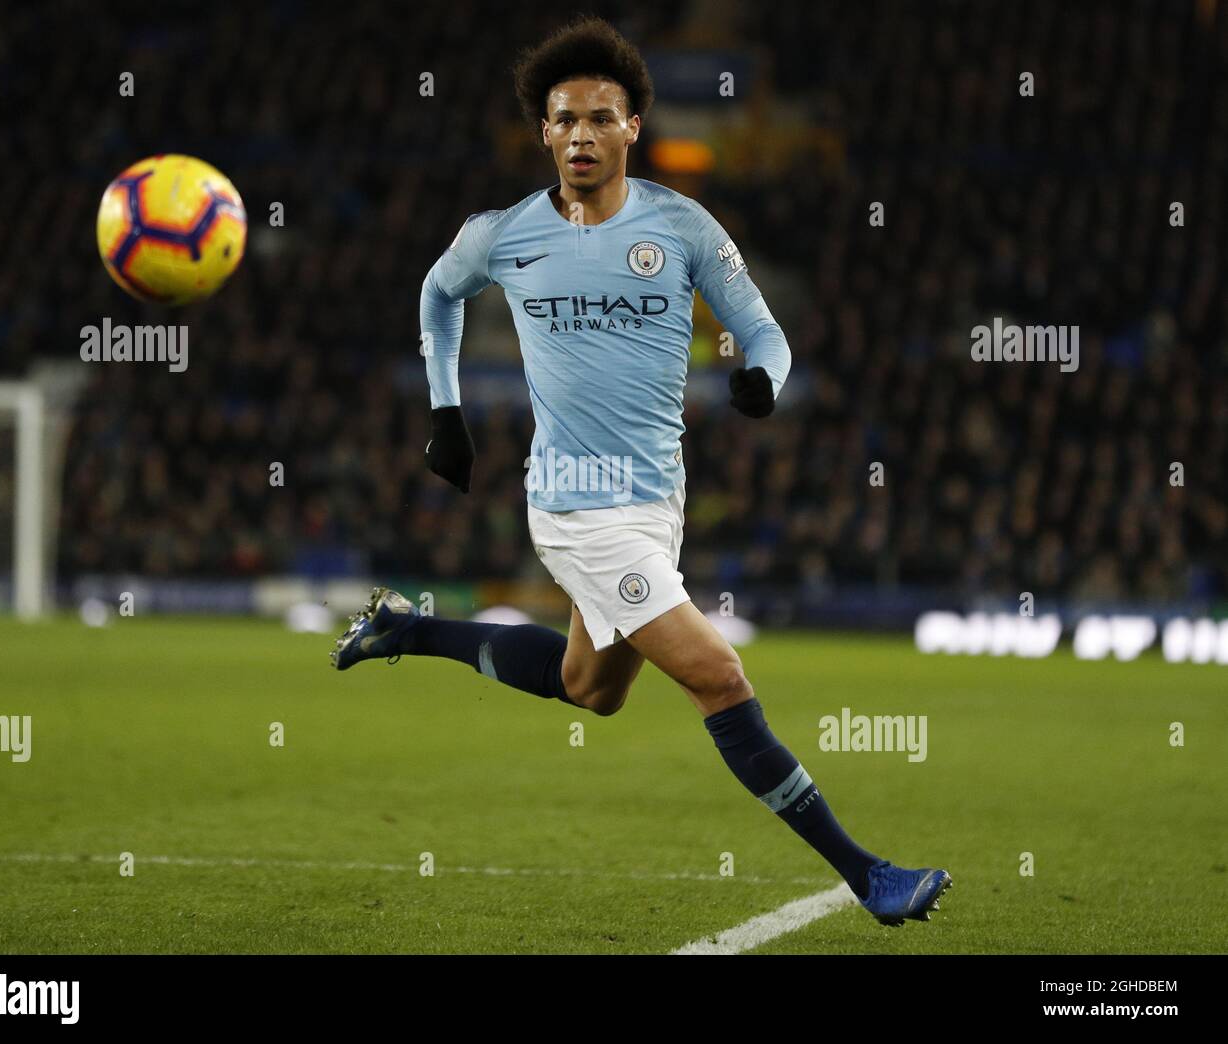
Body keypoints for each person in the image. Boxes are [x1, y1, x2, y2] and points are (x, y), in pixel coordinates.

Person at [332, 16, 950, 926]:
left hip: (658, 501)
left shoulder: (684, 225)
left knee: (592, 688)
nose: (580, 134)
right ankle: (871, 877)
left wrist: (762, 382)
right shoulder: (503, 234)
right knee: (719, 677)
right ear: (543, 133)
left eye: (600, 117)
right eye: (563, 119)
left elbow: (768, 332)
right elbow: (436, 293)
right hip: (577, 512)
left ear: (632, 127)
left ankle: (409, 632)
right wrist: (445, 413)